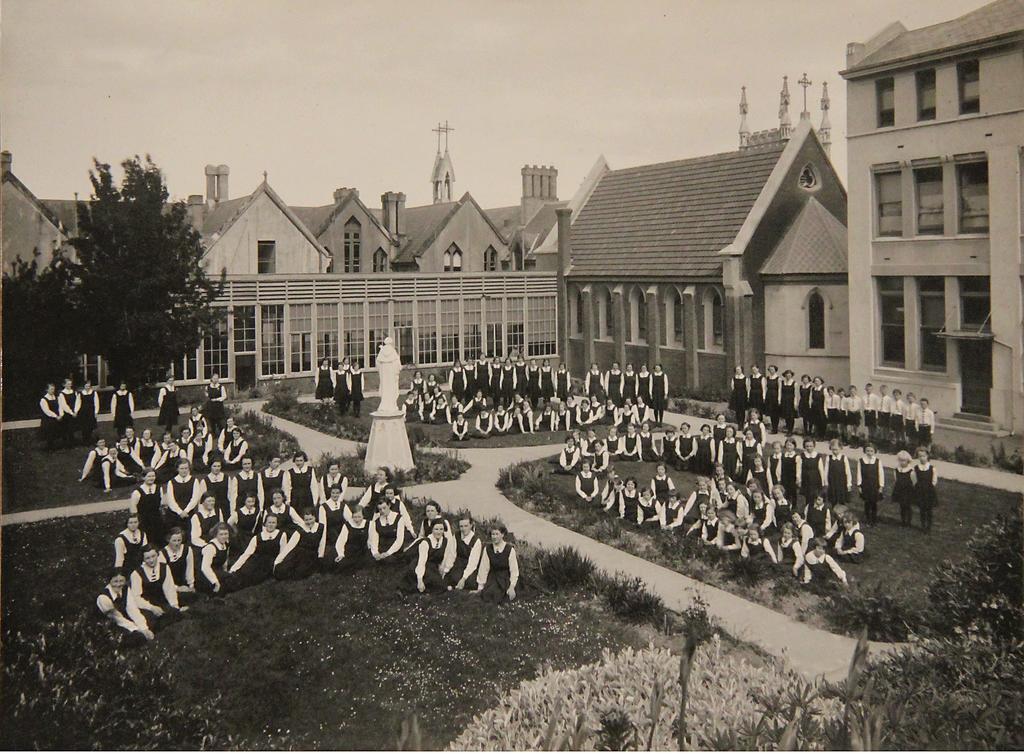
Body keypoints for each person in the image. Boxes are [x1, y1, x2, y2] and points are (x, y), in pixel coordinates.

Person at [229, 513, 289, 588]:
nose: (271, 525)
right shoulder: (258, 537)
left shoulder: (282, 535)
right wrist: (234, 568)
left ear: (277, 524)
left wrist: (277, 565)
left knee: (255, 578)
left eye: (273, 523)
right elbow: (247, 554)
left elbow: (283, 553)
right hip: (256, 561)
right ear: (265, 523)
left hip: (270, 563)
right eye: (269, 522)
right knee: (244, 572)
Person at [130, 546, 186, 624]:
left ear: (157, 555)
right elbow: (136, 598)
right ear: (143, 559)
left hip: (162, 602)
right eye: (147, 558)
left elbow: (169, 589)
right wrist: (151, 607)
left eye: (153, 556)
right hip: (146, 606)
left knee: (176, 616)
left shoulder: (164, 567)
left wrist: (175, 606)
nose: (151, 560)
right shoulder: (136, 574)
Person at [97, 571, 154, 642]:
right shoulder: (103, 597)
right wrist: (138, 630)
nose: (118, 584)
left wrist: (144, 628)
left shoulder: (125, 589)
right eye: (115, 581)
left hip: (123, 621)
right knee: (138, 637)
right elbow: (118, 619)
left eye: (121, 581)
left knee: (150, 623)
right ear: (109, 582)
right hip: (106, 626)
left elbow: (132, 609)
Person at [401, 520, 453, 594]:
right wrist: (420, 580)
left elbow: (445, 558)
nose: (439, 532)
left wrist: (442, 571)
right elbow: (421, 562)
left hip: (433, 566)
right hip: (420, 564)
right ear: (432, 530)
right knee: (434, 584)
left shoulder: (445, 541)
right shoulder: (425, 542)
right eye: (436, 529)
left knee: (440, 584)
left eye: (441, 529)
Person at [274, 510, 327, 580]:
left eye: (310, 519)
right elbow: (290, 545)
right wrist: (278, 560)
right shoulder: (301, 529)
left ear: (315, 518)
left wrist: (320, 557)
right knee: (282, 570)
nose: (308, 522)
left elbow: (322, 543)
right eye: (306, 520)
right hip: (298, 554)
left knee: (299, 573)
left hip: (311, 556)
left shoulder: (321, 527)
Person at [476, 526, 521, 604]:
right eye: (493, 534)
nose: (494, 537)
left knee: (501, 596)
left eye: (497, 534)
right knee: (488, 594)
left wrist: (512, 586)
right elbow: (484, 568)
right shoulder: (488, 549)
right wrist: (480, 587)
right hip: (493, 577)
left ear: (502, 535)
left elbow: (514, 570)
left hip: (505, 578)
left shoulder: (509, 549)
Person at [445, 516, 483, 591]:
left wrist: (463, 578)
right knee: (450, 578)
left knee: (469, 582)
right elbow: (452, 555)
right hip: (458, 565)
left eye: (466, 526)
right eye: (461, 526)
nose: (463, 529)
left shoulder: (476, 541)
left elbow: (473, 563)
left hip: (469, 567)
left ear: (471, 525)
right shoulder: (456, 536)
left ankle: (457, 587)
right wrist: (446, 570)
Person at [130, 469, 164, 548]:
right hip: (144, 519)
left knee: (159, 537)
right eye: (149, 476)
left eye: (153, 476)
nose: (151, 478)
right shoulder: (137, 491)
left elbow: (160, 503)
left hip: (156, 518)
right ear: (143, 477)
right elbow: (133, 508)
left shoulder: (159, 488)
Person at [368, 496, 407, 564]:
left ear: (389, 505)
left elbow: (399, 540)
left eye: (384, 508)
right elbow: (374, 539)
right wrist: (375, 553)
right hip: (381, 551)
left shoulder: (399, 518)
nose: (382, 511)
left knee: (389, 562)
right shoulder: (376, 522)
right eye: (380, 509)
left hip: (394, 551)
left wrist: (388, 553)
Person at [197, 523, 233, 594]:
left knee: (230, 577)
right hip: (206, 575)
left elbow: (225, 560)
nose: (224, 536)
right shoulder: (211, 547)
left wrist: (225, 571)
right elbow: (205, 568)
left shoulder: (225, 544)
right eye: (221, 534)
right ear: (216, 535)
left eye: (226, 534)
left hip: (217, 571)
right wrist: (215, 582)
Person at [333, 507, 371, 574]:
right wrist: (340, 554)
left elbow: (372, 541)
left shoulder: (369, 524)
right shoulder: (347, 525)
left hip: (363, 552)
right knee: (342, 567)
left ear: (363, 516)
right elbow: (340, 542)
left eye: (359, 517)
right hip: (350, 553)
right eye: (354, 517)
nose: (357, 519)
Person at [159, 527, 195, 594]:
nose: (177, 543)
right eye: (174, 540)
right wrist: (177, 588)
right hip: (169, 586)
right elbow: (164, 577)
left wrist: (191, 585)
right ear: (168, 540)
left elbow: (190, 569)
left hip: (184, 585)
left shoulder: (187, 549)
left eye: (179, 540)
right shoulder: (162, 554)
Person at [856, 443, 884, 526]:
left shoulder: (877, 461)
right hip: (865, 485)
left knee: (874, 503)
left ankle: (874, 519)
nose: (869, 452)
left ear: (874, 451)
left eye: (871, 451)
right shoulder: (861, 460)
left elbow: (881, 474)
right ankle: (868, 518)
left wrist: (881, 486)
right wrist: (859, 485)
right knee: (867, 503)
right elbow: (859, 473)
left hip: (874, 485)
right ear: (865, 451)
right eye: (867, 450)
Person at [912, 448, 938, 533]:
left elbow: (934, 480)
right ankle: (923, 525)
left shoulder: (932, 468)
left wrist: (930, 487)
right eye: (920, 456)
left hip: (929, 491)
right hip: (920, 491)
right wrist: (918, 487)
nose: (922, 458)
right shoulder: (916, 468)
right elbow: (914, 479)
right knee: (922, 509)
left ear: (927, 456)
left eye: (923, 456)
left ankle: (929, 526)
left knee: (929, 509)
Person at [822, 439, 852, 506]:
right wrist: (826, 483)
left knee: (841, 499)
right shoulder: (828, 458)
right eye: (833, 450)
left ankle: (842, 513)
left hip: (841, 482)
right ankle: (833, 512)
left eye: (836, 449)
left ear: (841, 448)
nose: (835, 451)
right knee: (833, 498)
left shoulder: (844, 458)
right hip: (832, 482)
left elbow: (848, 472)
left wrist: (849, 483)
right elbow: (826, 471)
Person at [892, 450, 915, 528]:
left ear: (908, 461)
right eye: (900, 460)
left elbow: (914, 482)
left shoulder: (911, 471)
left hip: (908, 491)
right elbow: (896, 480)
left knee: (907, 506)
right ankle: (903, 521)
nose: (902, 462)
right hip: (900, 490)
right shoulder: (896, 470)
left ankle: (908, 522)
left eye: (904, 460)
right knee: (902, 506)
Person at [56, 377, 80, 448]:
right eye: (68, 384)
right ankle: (66, 444)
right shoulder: (61, 394)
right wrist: (71, 413)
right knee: (66, 428)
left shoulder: (74, 392)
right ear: (64, 385)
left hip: (74, 412)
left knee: (72, 428)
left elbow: (77, 402)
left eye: (70, 384)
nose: (70, 385)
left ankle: (72, 443)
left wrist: (75, 411)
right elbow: (64, 405)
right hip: (66, 413)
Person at [799, 438, 823, 505]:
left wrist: (823, 481)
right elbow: (799, 468)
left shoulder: (817, 456)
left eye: (811, 446)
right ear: (804, 446)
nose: (809, 448)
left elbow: (821, 469)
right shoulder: (802, 456)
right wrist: (799, 479)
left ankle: (814, 506)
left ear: (814, 446)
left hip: (815, 478)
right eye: (807, 446)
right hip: (805, 478)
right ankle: (807, 506)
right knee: (807, 494)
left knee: (815, 494)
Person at [203, 374, 227, 438]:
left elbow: (224, 396)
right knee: (211, 421)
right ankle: (213, 434)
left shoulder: (221, 387)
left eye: (217, 378)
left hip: (218, 406)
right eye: (214, 378)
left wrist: (217, 399)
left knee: (220, 421)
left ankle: (222, 434)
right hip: (211, 406)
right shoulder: (207, 387)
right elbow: (206, 395)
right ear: (211, 379)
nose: (215, 380)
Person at [39, 383, 62, 450]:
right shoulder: (43, 400)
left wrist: (60, 414)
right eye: (51, 389)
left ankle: (54, 446)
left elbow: (59, 406)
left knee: (54, 432)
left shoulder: (55, 397)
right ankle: (49, 447)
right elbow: (47, 411)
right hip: (48, 419)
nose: (53, 391)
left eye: (53, 389)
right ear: (47, 390)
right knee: (49, 432)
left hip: (56, 418)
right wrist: (55, 416)